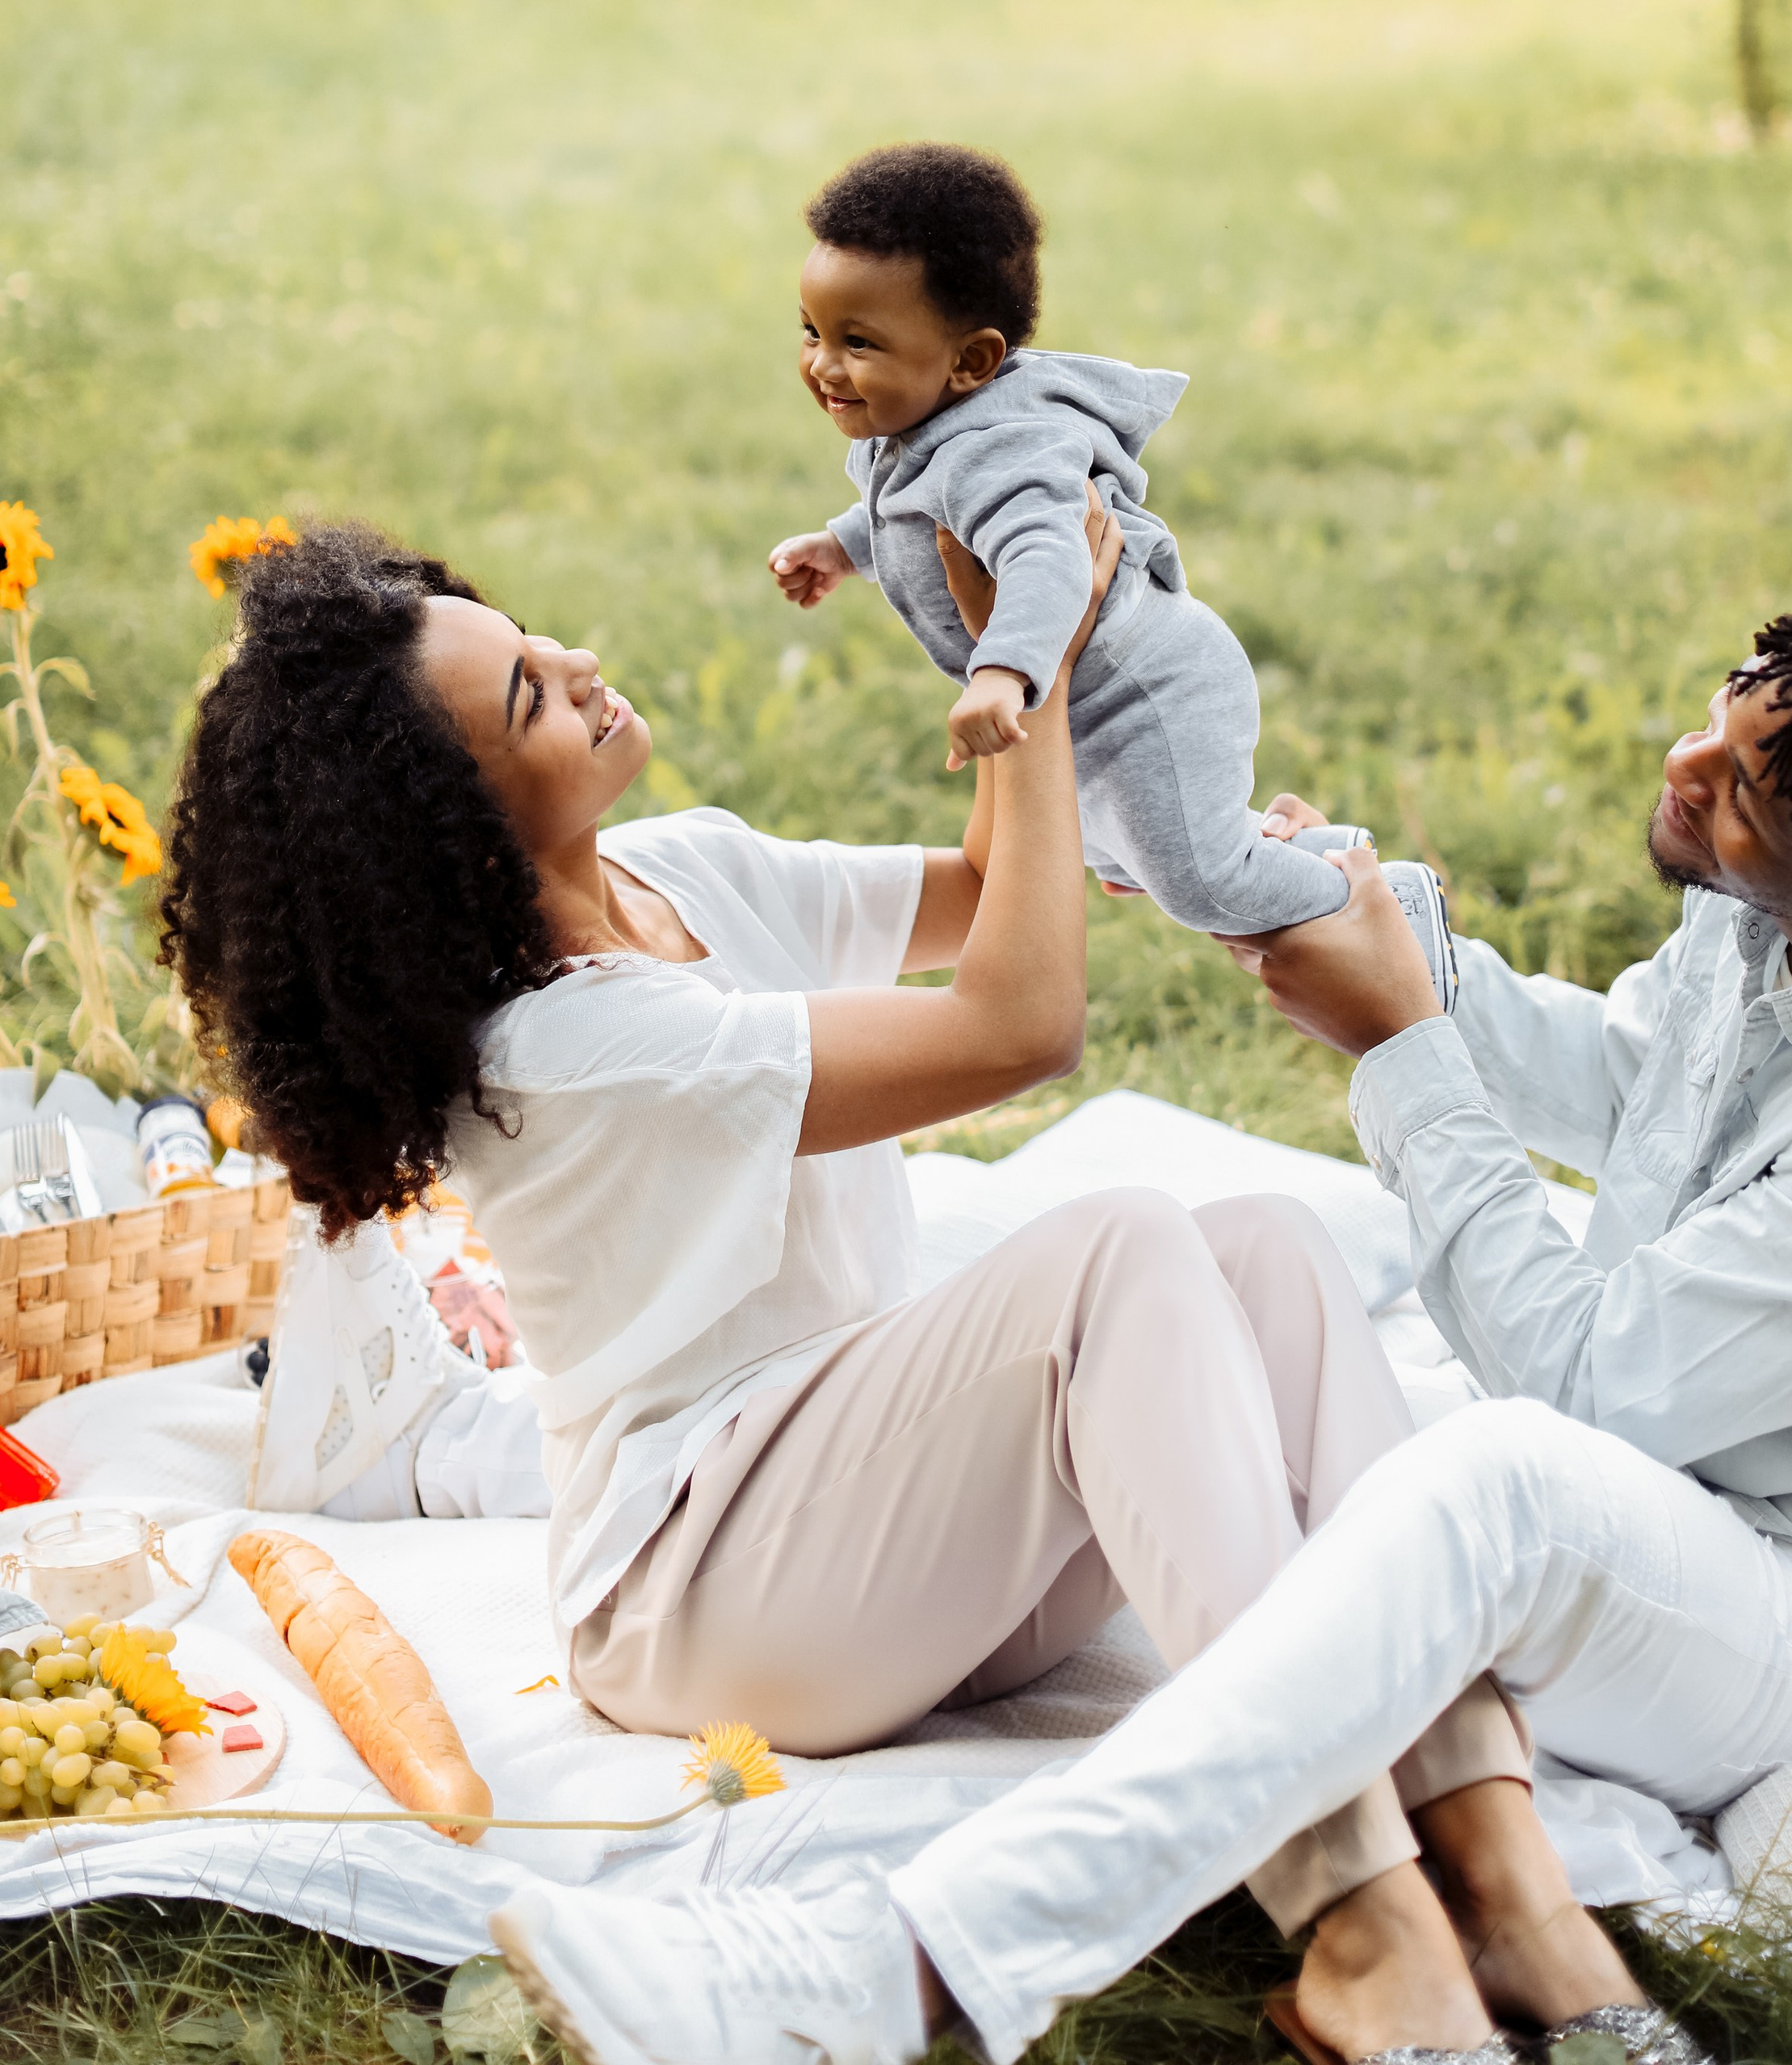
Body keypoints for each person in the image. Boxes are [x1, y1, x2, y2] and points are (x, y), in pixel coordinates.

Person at [485, 567, 1792, 2065]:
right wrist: (1388, 942)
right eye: (1727, 705)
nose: (1685, 759)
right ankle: (1510, 1926)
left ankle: (891, 1967)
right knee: (1263, 1254)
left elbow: (1591, 1397)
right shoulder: (1791, 901)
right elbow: (1636, 1094)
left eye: (1742, 782)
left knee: (1485, 1475)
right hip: (1644, 1510)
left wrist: (1399, 1049)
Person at [162, 515, 1647, 2050]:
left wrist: (1044, 638)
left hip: (895, 1561)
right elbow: (1019, 1022)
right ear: (452, 832)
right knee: (1121, 1247)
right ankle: (1362, 1920)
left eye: (536, 641)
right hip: (701, 1599)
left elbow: (997, 878)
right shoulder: (560, 1050)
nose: (581, 665)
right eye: (532, 696)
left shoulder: (686, 878)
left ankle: (1511, 1884)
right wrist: (1037, 667)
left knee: (1267, 1250)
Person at [766, 140, 1452, 973]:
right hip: (1091, 707)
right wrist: (840, 547)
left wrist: (1001, 672)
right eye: (812, 330)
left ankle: (1382, 908)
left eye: (858, 343)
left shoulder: (1001, 451)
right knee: (1132, 866)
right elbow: (913, 516)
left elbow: (1047, 561)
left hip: (1148, 693)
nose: (822, 365)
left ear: (971, 361)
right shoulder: (914, 430)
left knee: (1204, 884)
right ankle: (1323, 854)